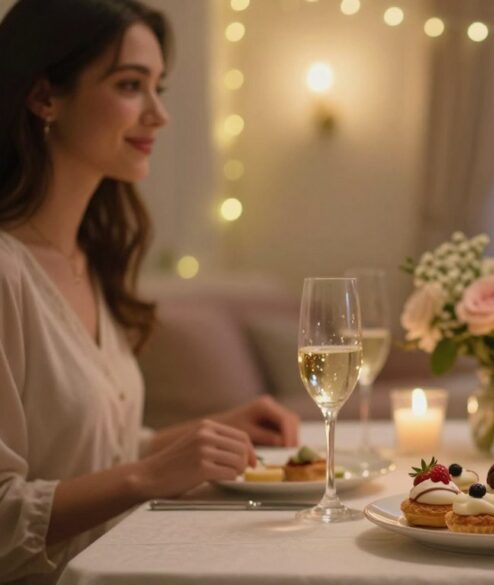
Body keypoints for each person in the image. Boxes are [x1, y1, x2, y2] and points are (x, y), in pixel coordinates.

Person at [0, 1, 301, 582]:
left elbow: (84, 454)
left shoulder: (89, 258)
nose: (159, 115)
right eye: (131, 85)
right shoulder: (8, 275)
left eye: (157, 87)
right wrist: (148, 477)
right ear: (45, 98)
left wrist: (199, 436)